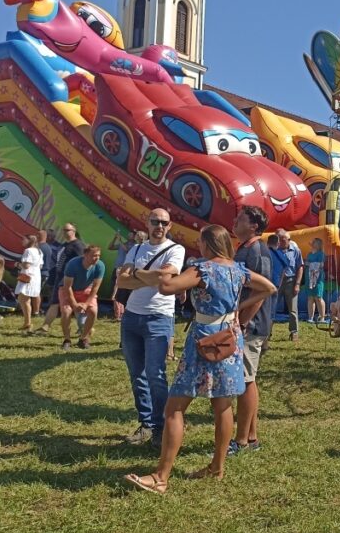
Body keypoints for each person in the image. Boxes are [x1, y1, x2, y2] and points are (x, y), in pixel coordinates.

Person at [124, 224, 276, 493]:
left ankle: (161, 477)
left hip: (203, 339)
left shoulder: (202, 269)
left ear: (207, 244)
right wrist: (237, 310)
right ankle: (217, 468)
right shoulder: (238, 270)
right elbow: (269, 287)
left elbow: (168, 286)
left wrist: (137, 273)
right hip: (230, 339)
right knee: (222, 405)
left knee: (175, 408)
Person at [115, 209, 185, 449]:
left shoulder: (176, 249)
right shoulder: (136, 249)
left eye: (164, 222)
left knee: (156, 374)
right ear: (147, 222)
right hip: (132, 316)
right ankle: (146, 423)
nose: (160, 226)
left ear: (169, 225)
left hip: (159, 317)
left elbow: (165, 278)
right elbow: (121, 281)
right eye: (155, 221)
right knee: (137, 374)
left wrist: (135, 273)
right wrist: (147, 276)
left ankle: (161, 426)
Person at [228, 206, 273, 457]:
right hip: (243, 323)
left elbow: (262, 291)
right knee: (247, 378)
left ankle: (242, 440)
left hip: (251, 325)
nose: (234, 222)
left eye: (240, 219)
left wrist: (243, 320)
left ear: (254, 226)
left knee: (245, 380)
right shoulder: (244, 248)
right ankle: (252, 437)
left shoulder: (258, 250)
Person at [33, 223, 84, 335]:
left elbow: (83, 262)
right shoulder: (65, 244)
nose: (64, 232)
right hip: (60, 278)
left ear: (74, 231)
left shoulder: (78, 245)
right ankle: (45, 326)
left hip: (70, 279)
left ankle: (84, 328)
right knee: (55, 303)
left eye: (67, 230)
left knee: (73, 304)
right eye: (63, 230)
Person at [59, 245, 106, 350]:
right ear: (85, 255)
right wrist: (74, 304)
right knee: (66, 311)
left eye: (98, 255)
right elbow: (67, 287)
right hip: (68, 290)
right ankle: (67, 340)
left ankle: (83, 339)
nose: (97, 258)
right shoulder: (73, 264)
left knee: (93, 311)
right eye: (94, 255)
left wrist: (86, 304)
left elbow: (95, 288)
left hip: (86, 290)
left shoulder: (100, 266)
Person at [272, 229, 304, 342]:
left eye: (283, 239)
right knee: (271, 307)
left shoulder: (295, 250)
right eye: (279, 239)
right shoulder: (273, 251)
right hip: (276, 283)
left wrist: (297, 284)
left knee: (293, 309)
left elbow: (300, 267)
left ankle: (294, 332)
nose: (281, 242)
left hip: (291, 281)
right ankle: (267, 333)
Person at [14, 234, 43, 331]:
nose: (22, 241)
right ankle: (27, 322)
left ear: (29, 241)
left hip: (28, 276)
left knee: (23, 299)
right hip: (35, 276)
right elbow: (40, 266)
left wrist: (18, 264)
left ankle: (28, 322)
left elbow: (26, 265)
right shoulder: (39, 251)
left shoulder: (28, 251)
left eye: (24, 239)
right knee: (24, 299)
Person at [306, 237, 327, 323]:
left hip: (318, 278)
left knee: (318, 297)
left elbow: (321, 265)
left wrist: (310, 264)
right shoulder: (309, 254)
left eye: (314, 242)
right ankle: (310, 317)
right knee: (310, 297)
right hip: (309, 277)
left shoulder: (321, 254)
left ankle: (322, 317)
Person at [34, 229, 54, 319]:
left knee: (36, 292)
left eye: (37, 235)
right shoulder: (48, 247)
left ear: (39, 236)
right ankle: (37, 309)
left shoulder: (39, 248)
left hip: (40, 272)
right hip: (45, 272)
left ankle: (37, 311)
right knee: (38, 292)